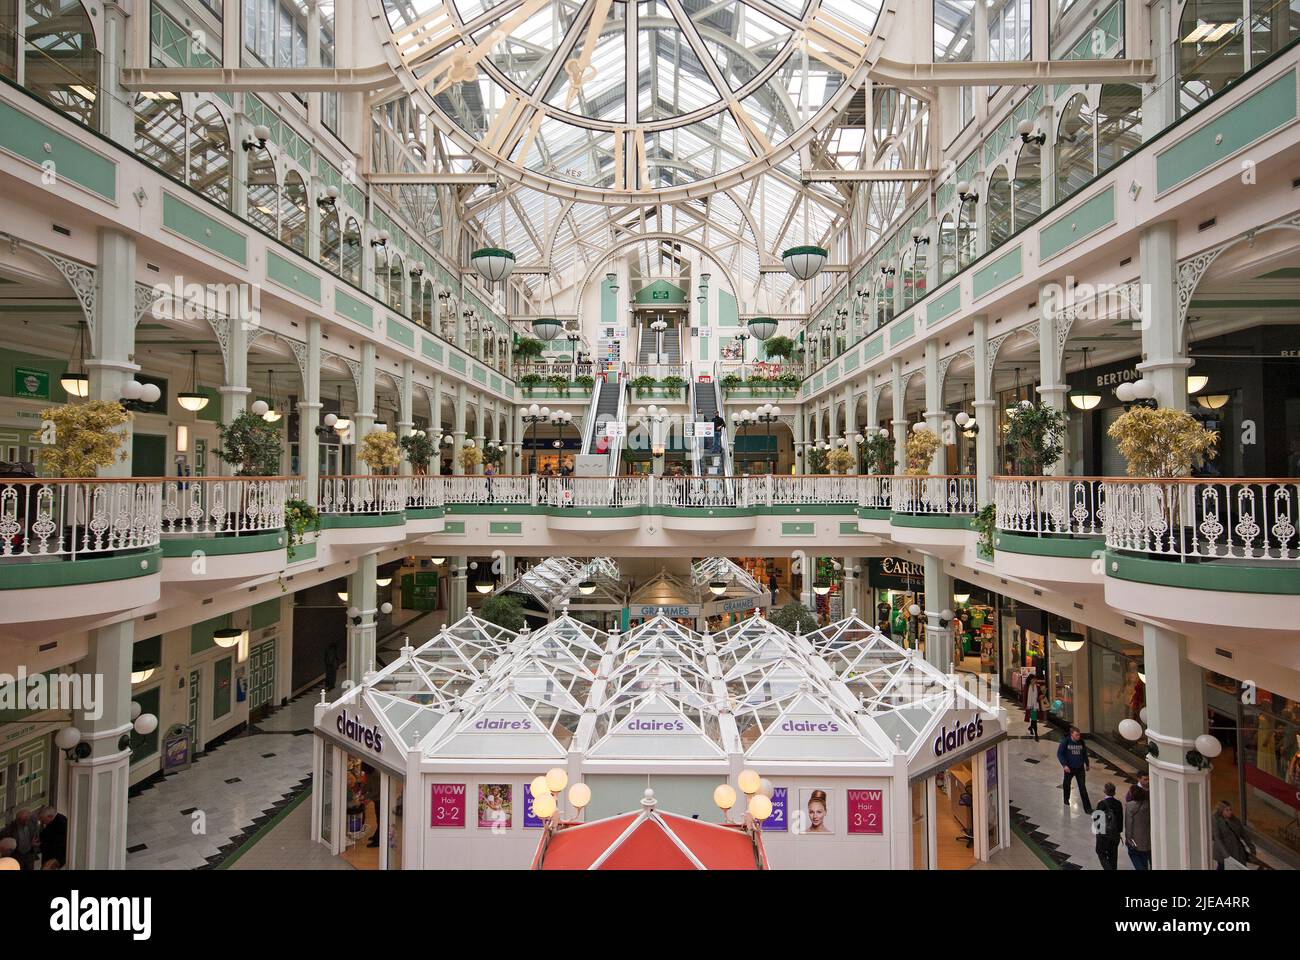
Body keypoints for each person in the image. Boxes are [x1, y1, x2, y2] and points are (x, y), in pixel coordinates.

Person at [1057, 725, 1092, 813]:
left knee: (1082, 788)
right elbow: (1059, 754)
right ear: (1071, 734)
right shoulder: (1066, 741)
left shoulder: (1081, 742)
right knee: (1066, 784)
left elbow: (1084, 753)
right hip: (1069, 768)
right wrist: (1064, 765)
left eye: (1079, 735)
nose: (1078, 737)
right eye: (1076, 735)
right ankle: (1066, 799)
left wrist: (1087, 764)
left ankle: (1088, 808)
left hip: (1080, 768)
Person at [1211, 800, 1255, 869]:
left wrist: (1252, 848)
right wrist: (1226, 855)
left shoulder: (1235, 820)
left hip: (1237, 851)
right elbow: (1217, 838)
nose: (1230, 812)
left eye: (1230, 809)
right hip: (1224, 853)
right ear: (1221, 811)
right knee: (1222, 867)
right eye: (1227, 810)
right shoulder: (1216, 820)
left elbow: (1244, 835)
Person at [1094, 782, 1124, 870]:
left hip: (1103, 834)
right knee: (1113, 855)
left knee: (1101, 852)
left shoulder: (1102, 803)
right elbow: (1120, 819)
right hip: (1115, 834)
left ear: (1104, 791)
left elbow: (1096, 820)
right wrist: (1118, 832)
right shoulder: (1118, 803)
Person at [1124, 785, 1152, 870]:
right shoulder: (1149, 804)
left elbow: (1129, 824)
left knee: (1136, 858)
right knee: (1144, 859)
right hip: (1148, 841)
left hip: (1135, 841)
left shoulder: (1130, 806)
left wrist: (1128, 839)